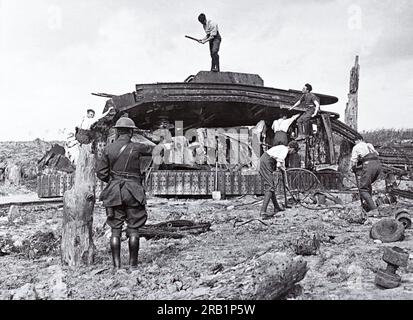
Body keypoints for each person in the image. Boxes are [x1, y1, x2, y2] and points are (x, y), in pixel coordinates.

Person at [96, 117, 154, 271]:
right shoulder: (137, 147)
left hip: (115, 192)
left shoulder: (108, 149)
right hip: (134, 192)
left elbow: (101, 173)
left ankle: (116, 268)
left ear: (116, 131)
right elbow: (155, 150)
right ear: (130, 132)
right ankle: (133, 266)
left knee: (115, 229)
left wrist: (114, 180)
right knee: (134, 229)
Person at [259, 141, 299, 219]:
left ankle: (276, 207)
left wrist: (284, 171)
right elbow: (279, 164)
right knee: (270, 187)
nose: (292, 153)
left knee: (271, 186)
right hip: (265, 162)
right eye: (293, 151)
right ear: (292, 148)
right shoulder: (284, 150)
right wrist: (282, 169)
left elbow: (281, 164)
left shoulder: (283, 149)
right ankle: (263, 212)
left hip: (267, 162)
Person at [350, 136, 382, 214]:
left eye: (356, 141)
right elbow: (375, 155)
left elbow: (353, 160)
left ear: (359, 140)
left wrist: (353, 168)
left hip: (369, 165)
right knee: (367, 185)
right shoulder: (369, 145)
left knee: (363, 189)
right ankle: (369, 205)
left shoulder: (356, 147)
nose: (355, 143)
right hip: (378, 165)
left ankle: (374, 209)